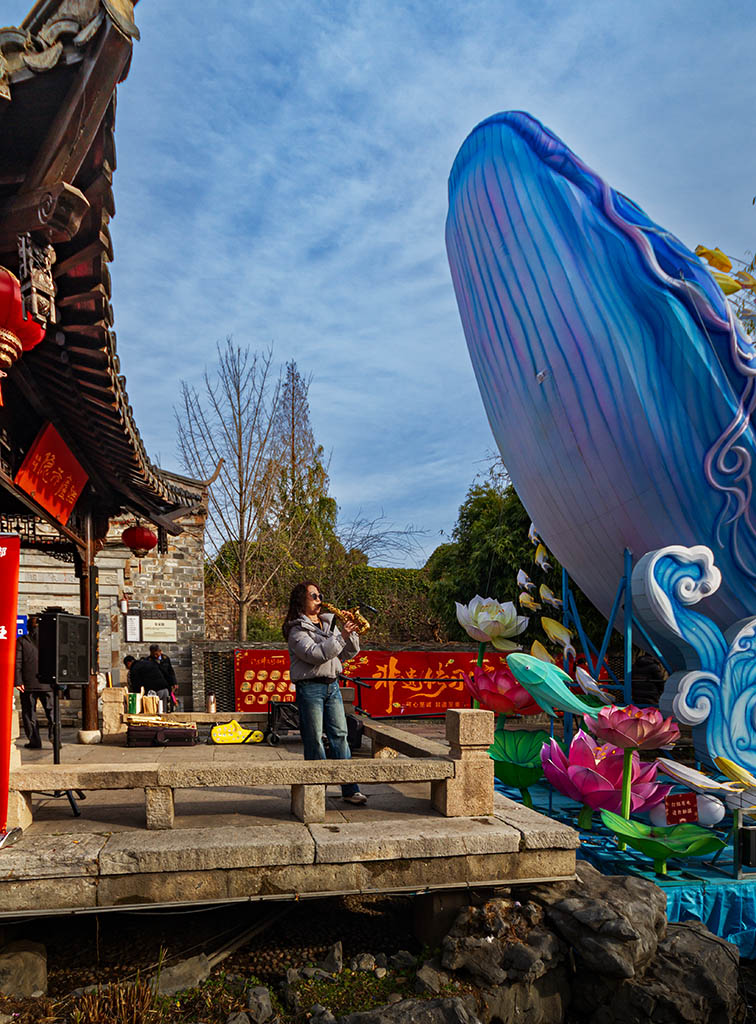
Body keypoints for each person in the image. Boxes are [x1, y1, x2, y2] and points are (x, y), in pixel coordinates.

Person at [283, 581, 367, 805]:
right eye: (314, 595)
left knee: (340, 736)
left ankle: (350, 789)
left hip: (332, 685)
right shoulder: (296, 630)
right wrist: (340, 637)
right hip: (310, 687)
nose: (319, 598)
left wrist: (351, 633)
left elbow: (348, 653)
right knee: (314, 739)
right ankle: (316, 790)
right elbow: (315, 654)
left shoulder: (329, 624)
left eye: (320, 594)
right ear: (302, 600)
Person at [15, 615, 53, 749]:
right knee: (52, 712)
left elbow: (17, 662)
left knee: (29, 713)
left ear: (27, 627)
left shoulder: (21, 641)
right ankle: (55, 738)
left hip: (28, 684)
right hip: (47, 682)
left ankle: (35, 741)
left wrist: (18, 681)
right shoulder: (49, 640)